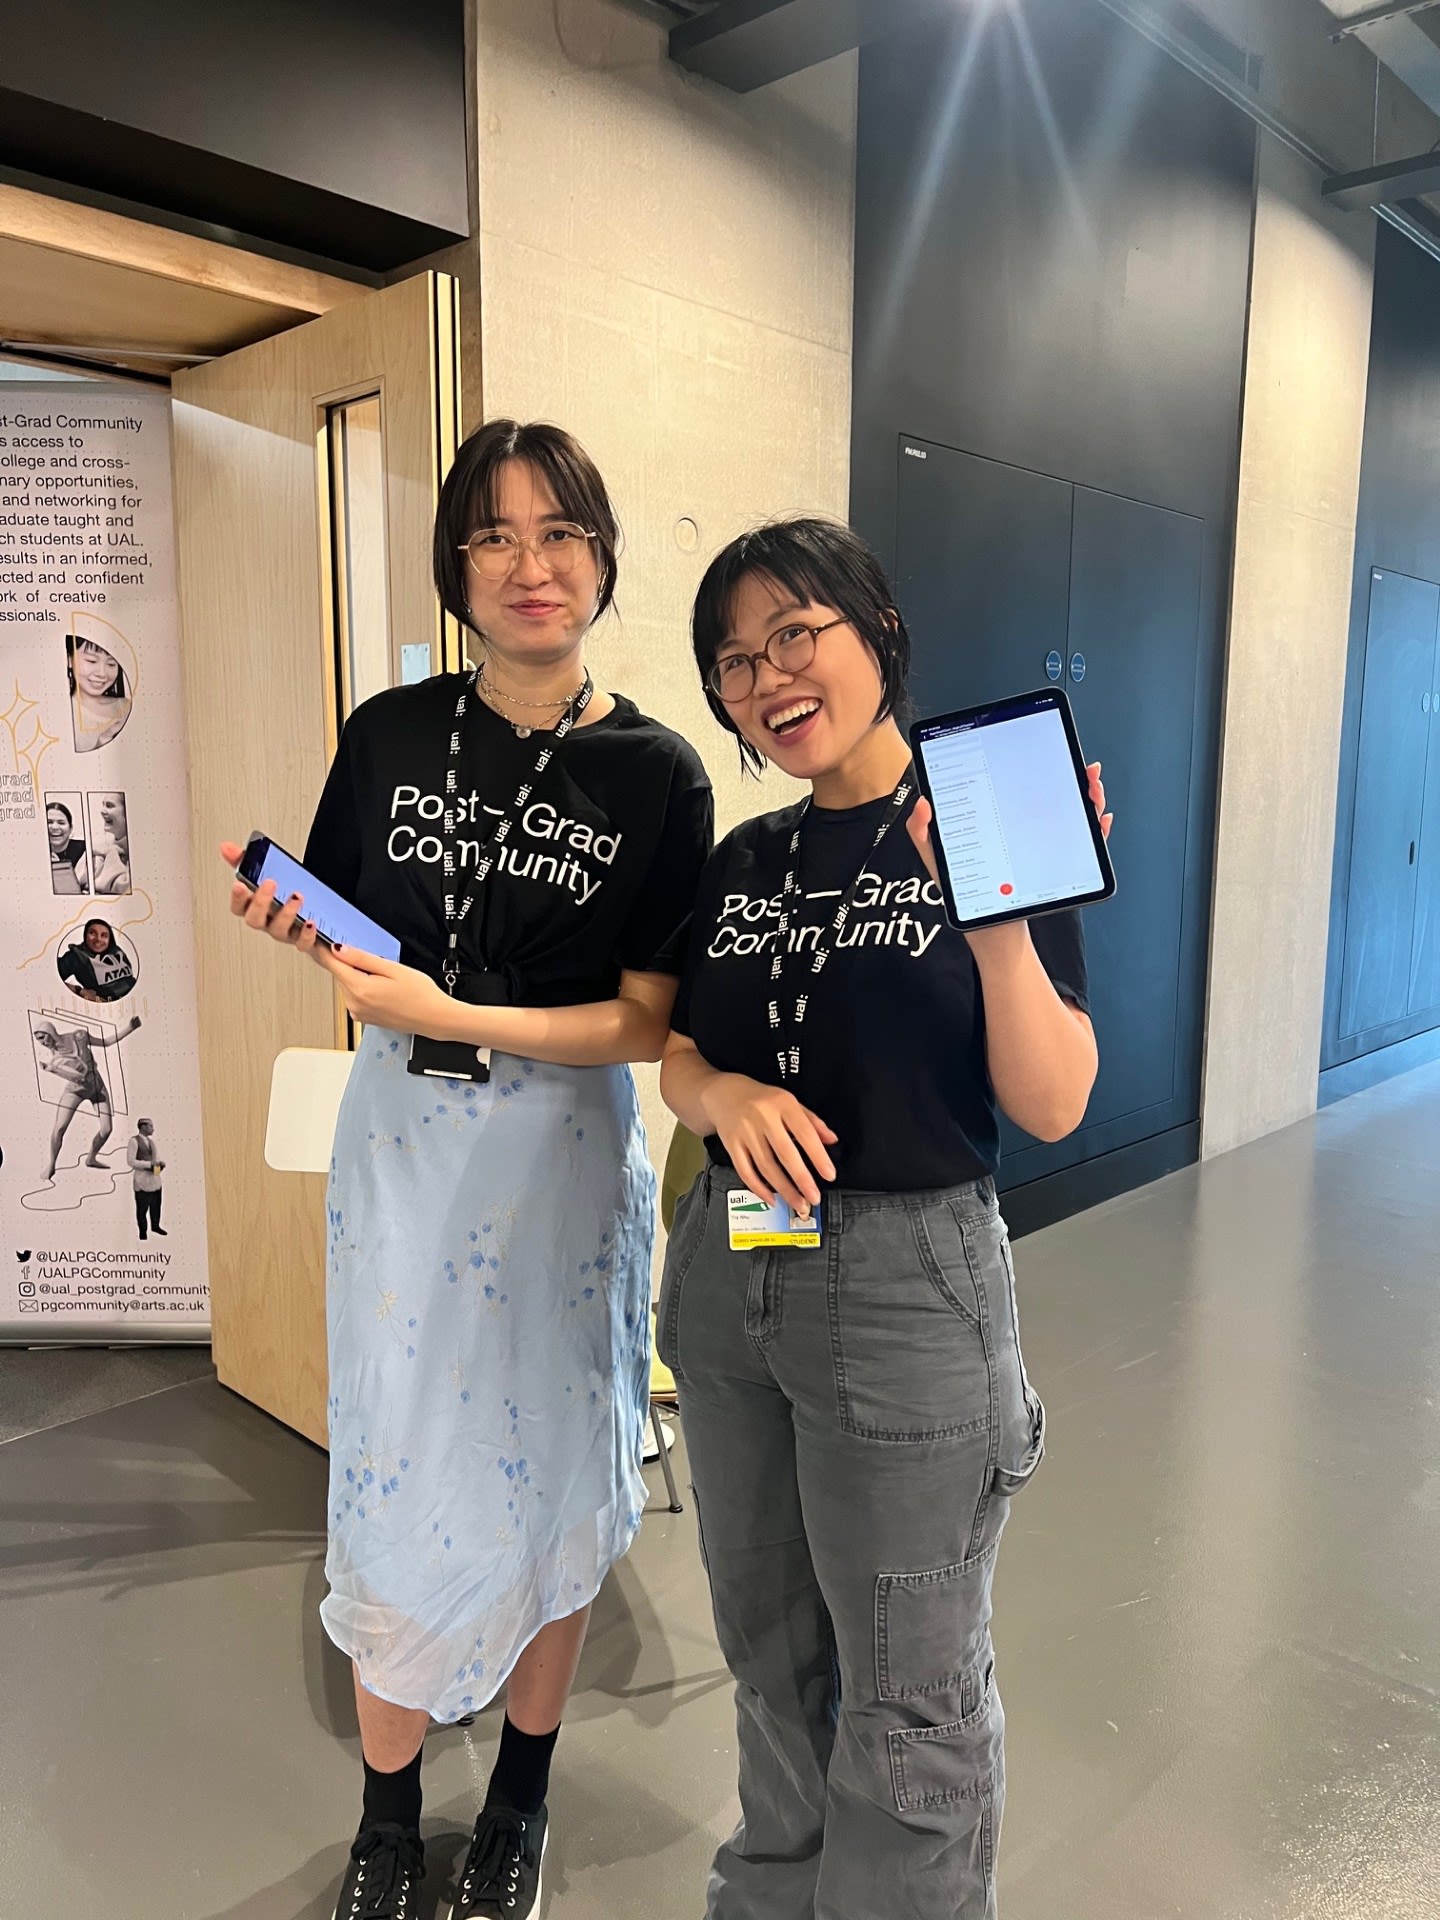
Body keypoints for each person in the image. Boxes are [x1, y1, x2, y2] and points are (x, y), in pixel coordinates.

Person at [220, 419, 712, 1920]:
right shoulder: (384, 732)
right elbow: (357, 940)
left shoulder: (656, 773)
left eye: (558, 533)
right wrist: (304, 927)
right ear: (456, 568)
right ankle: (384, 1819)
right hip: (403, 1161)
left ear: (603, 557)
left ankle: (517, 1806)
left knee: (554, 1475)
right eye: (493, 537)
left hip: (558, 1165)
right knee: (392, 1474)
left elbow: (645, 1021)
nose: (528, 567)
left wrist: (454, 1010)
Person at [657, 519, 1113, 1920]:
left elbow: (1053, 1101)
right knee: (768, 1645)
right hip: (735, 1281)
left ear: (878, 631)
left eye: (797, 634)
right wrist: (722, 1092)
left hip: (910, 1286)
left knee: (908, 1693)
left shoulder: (976, 824)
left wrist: (991, 918)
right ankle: (771, 1897)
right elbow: (678, 1051)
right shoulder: (742, 859)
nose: (768, 678)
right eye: (736, 661)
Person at [34, 1015, 142, 1182]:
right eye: (38, 1040)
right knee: (59, 1127)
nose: (41, 1042)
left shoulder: (79, 1036)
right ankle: (52, 1164)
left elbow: (106, 1042)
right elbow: (78, 1077)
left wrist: (130, 1027)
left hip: (96, 1086)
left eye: (42, 1037)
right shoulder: (56, 1061)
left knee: (106, 1130)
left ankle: (91, 1158)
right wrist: (52, 1069)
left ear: (50, 1032)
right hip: (75, 1091)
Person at [67, 617, 134, 752]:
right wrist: (103, 741)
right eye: (92, 661)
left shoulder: (126, 706)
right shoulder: (61, 710)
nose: (102, 673)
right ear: (69, 660)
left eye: (111, 664)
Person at [57, 919, 137, 1003]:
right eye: (92, 933)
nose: (98, 939)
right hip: (106, 1006)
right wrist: (79, 990)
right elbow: (50, 978)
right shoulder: (76, 956)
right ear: (85, 935)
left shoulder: (116, 950)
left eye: (104, 935)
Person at [128, 1118, 165, 1239]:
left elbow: (155, 1160)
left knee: (156, 1206)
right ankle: (143, 1232)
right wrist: (148, 1165)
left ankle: (155, 1226)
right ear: (143, 1127)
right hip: (141, 1180)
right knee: (142, 1209)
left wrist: (159, 1166)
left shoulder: (152, 1143)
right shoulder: (134, 1141)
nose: (153, 1129)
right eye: (150, 1126)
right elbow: (131, 1161)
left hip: (154, 1180)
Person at [90, 793, 132, 894]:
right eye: (103, 805)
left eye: (109, 806)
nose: (102, 811)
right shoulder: (100, 848)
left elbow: (124, 887)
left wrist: (111, 852)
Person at [46, 800, 89, 895]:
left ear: (71, 828)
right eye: (49, 822)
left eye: (61, 823)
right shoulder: (36, 852)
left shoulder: (86, 851)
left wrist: (59, 868)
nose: (54, 827)